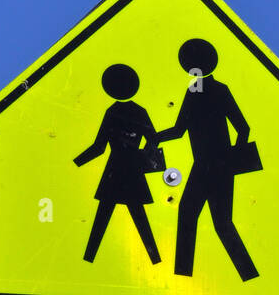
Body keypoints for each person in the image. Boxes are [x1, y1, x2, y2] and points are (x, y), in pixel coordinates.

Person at [157, 39, 260, 281]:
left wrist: (231, 159)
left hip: (214, 166)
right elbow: (181, 129)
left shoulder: (211, 90)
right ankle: (186, 274)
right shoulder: (202, 90)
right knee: (201, 217)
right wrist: (155, 137)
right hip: (208, 166)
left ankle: (247, 275)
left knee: (215, 221)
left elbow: (242, 127)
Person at [74, 63, 162, 264]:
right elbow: (153, 139)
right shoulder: (138, 111)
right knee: (134, 215)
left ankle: (89, 258)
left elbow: (99, 147)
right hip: (131, 169)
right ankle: (154, 259)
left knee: (106, 215)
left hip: (116, 169)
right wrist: (145, 156)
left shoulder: (113, 111)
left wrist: (77, 162)